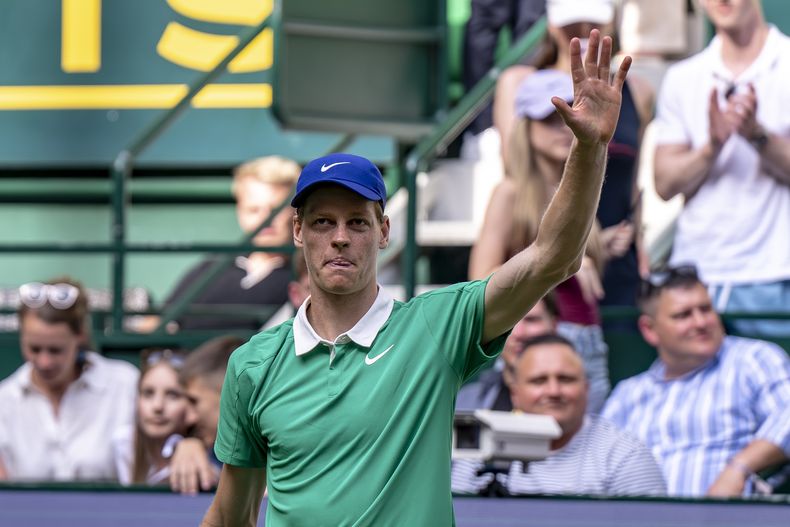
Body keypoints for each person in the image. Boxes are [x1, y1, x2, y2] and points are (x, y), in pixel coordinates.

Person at [201, 30, 632, 526]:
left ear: (383, 232)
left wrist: (589, 147)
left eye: (357, 222)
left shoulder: (438, 325)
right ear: (298, 231)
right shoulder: (253, 365)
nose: (340, 237)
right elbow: (230, 516)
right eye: (323, 222)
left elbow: (552, 257)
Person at [470, 69, 615, 413]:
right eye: (549, 120)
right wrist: (555, 261)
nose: (563, 129)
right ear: (526, 128)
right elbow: (479, 282)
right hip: (535, 342)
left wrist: (600, 248)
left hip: (589, 342)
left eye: (568, 117)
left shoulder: (582, 187)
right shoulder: (510, 193)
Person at [494, 0, 654, 308]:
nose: (582, 34)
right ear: (551, 25)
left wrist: (631, 242)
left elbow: (632, 182)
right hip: (549, 262)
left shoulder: (638, 91)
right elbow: (522, 172)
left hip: (615, 258)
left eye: (593, 25)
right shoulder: (520, 83)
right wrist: (572, 252)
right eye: (572, 25)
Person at [652, 0, 790, 336]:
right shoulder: (682, 77)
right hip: (698, 278)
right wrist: (711, 147)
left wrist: (757, 136)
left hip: (776, 274)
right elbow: (665, 183)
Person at [602, 265, 790, 496]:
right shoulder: (629, 393)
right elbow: (597, 459)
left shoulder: (752, 360)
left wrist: (738, 468)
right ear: (649, 329)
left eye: (706, 309)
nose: (701, 323)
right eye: (684, 315)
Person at [452, 334, 666, 496]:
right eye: (539, 381)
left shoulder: (623, 455)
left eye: (565, 379)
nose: (553, 391)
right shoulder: (484, 446)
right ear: (515, 393)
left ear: (586, 388)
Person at [0, 278, 138, 481]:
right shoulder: (5, 399)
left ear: (80, 335)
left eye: (56, 350)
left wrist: (187, 446)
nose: (44, 362)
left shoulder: (125, 385)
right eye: (34, 349)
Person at [146, 156, 301, 332]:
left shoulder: (305, 275)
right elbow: (156, 325)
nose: (266, 219)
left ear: (295, 212)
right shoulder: (210, 267)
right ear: (239, 211)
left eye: (275, 210)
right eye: (253, 209)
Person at [168, 335, 245, 494]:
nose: (190, 418)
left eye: (194, 401)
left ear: (230, 394)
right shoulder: (208, 450)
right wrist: (189, 445)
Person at [456, 294, 559, 412]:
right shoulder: (464, 402)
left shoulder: (581, 402)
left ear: (554, 325)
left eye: (531, 320)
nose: (518, 334)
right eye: (507, 322)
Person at [113, 348, 196, 485]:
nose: (158, 406)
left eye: (172, 395)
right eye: (148, 393)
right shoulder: (123, 442)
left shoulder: (208, 451)